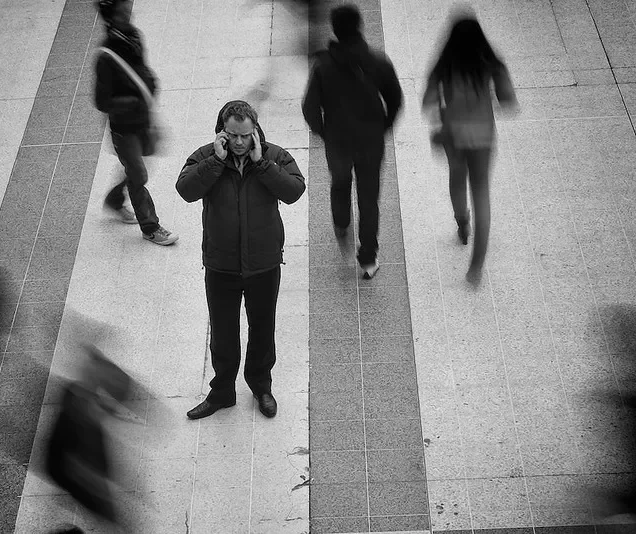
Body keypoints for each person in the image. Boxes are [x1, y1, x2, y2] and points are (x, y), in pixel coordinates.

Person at [176, 100, 306, 420]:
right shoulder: (205, 157)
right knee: (223, 334)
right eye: (232, 135)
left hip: (263, 265)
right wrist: (215, 163)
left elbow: (294, 191)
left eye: (245, 136)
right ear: (222, 131)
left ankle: (261, 386)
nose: (238, 142)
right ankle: (222, 391)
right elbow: (186, 190)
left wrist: (263, 165)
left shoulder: (273, 156)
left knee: (262, 330)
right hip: (221, 266)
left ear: (255, 132)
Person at [302, 3, 402, 279]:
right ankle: (368, 257)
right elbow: (395, 99)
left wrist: (323, 131)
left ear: (334, 30)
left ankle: (342, 226)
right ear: (360, 26)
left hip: (339, 142)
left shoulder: (323, 65)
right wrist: (383, 125)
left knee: (340, 183)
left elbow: (310, 107)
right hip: (370, 142)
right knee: (369, 199)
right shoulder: (379, 61)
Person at [422, 11, 517, 285]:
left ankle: (462, 222)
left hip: (454, 135)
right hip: (484, 136)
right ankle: (475, 267)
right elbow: (508, 100)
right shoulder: (491, 63)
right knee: (481, 193)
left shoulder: (444, 65)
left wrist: (444, 106)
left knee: (456, 176)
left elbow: (428, 100)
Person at [94, 0, 178, 246]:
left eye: (126, 8)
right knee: (138, 174)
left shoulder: (134, 36)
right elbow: (101, 101)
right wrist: (132, 102)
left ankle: (114, 199)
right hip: (124, 127)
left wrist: (150, 82)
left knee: (143, 163)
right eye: (121, 11)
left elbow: (141, 68)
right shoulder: (105, 57)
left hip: (142, 117)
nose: (127, 13)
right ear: (110, 17)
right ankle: (150, 227)